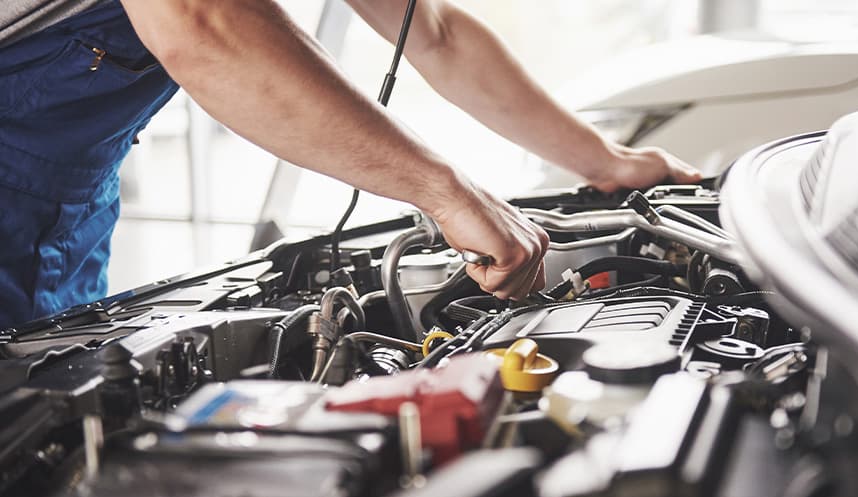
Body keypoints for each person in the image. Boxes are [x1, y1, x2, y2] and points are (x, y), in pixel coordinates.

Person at [0, 0, 700, 329]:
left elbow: (435, 33)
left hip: (63, 201)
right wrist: (444, 192)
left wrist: (606, 162)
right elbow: (201, 21)